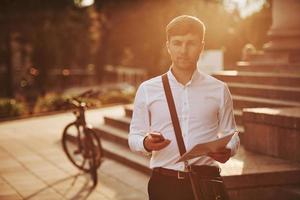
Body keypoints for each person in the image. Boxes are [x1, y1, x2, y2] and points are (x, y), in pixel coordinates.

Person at [128, 15, 240, 200]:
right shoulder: (148, 89)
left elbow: (232, 133)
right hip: (164, 185)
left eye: (191, 43)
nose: (184, 50)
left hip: (207, 184)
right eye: (177, 43)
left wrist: (228, 149)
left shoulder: (219, 89)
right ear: (168, 46)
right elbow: (134, 136)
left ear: (201, 47)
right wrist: (146, 143)